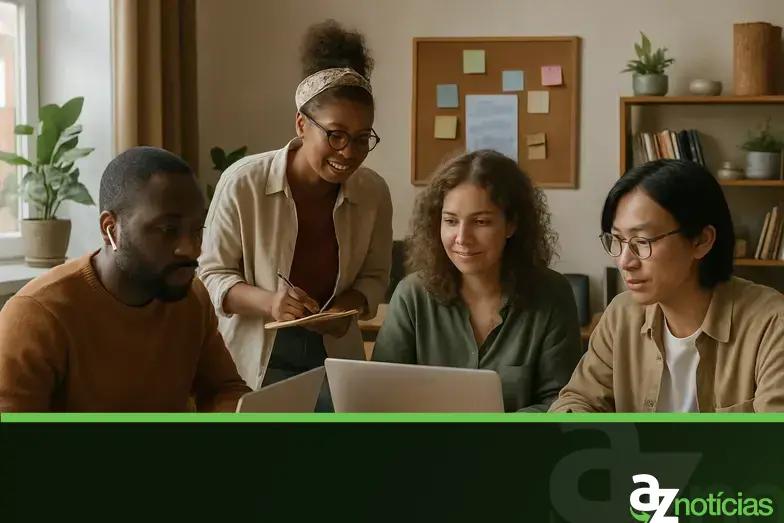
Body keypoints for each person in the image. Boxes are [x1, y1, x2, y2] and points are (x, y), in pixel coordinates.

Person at [199, 20, 392, 400]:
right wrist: (270, 303)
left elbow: (374, 278)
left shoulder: (373, 194)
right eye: (335, 135)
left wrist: (344, 310)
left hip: (335, 360)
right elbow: (211, 275)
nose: (349, 152)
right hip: (251, 362)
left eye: (361, 139)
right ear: (302, 124)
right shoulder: (243, 182)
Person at [0, 147, 251, 412]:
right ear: (110, 228)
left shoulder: (193, 299)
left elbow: (224, 390)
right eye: (168, 229)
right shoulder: (37, 316)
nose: (192, 249)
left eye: (197, 230)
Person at [550, 159, 784, 413]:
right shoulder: (621, 314)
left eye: (642, 241)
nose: (625, 261)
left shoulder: (772, 324)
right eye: (617, 239)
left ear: (701, 241)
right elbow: (577, 399)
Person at [371, 150, 582, 412]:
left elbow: (561, 402)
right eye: (450, 221)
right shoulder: (411, 295)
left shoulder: (552, 294)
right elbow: (383, 394)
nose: (462, 238)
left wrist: (489, 430)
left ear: (511, 225)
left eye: (480, 221)